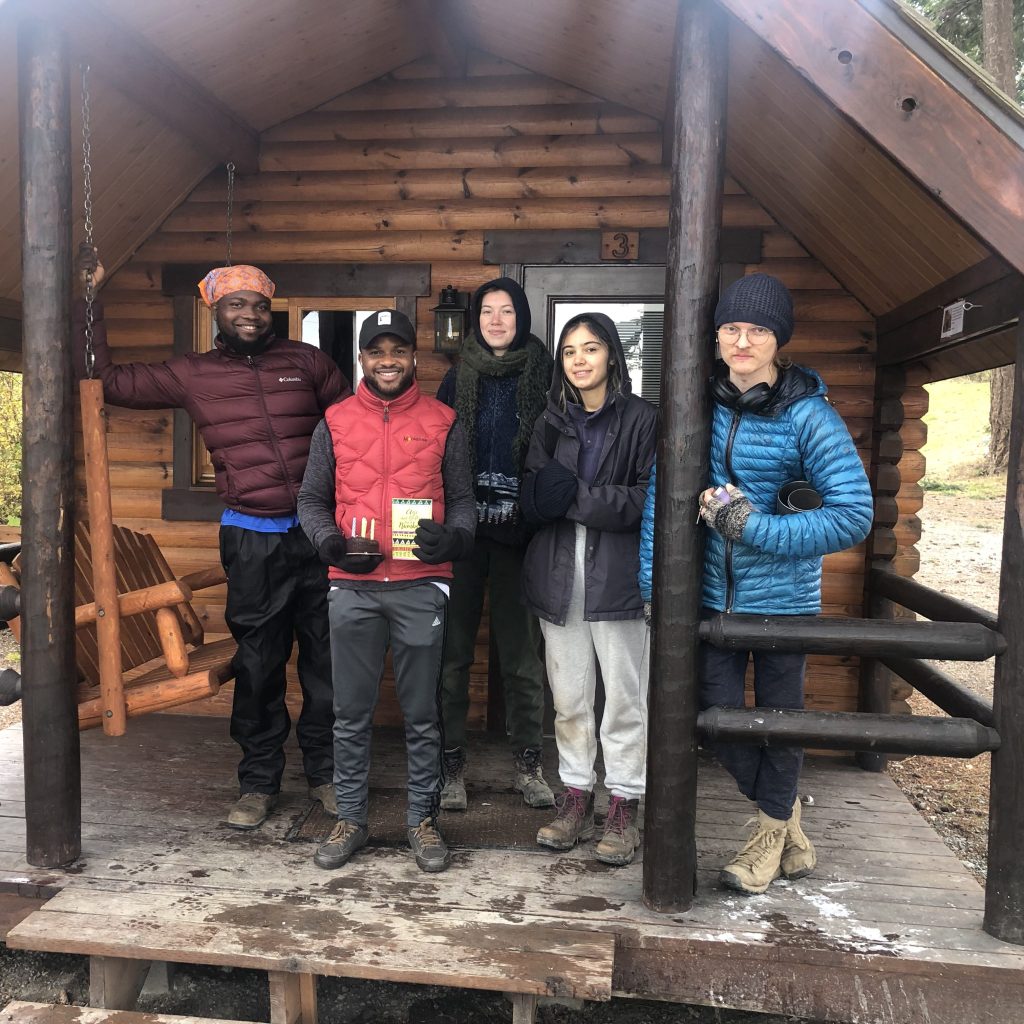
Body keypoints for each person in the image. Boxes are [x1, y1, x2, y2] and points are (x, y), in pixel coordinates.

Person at [73, 255, 349, 830]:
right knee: (258, 664)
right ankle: (258, 782)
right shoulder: (192, 373)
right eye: (236, 304)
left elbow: (350, 433)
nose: (250, 314)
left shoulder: (309, 362)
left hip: (319, 537)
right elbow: (107, 378)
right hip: (252, 539)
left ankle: (327, 776)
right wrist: (89, 302)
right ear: (215, 311)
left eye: (258, 304)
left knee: (329, 662)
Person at [638, 272, 873, 895]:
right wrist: (651, 585)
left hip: (784, 603)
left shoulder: (809, 416)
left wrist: (752, 527)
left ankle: (766, 836)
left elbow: (853, 515)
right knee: (714, 717)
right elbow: (660, 503)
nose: (743, 342)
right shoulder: (698, 407)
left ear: (778, 341)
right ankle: (787, 818)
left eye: (757, 330)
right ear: (716, 337)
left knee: (780, 721)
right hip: (709, 599)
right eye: (732, 329)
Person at [297, 309, 476, 874]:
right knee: (350, 713)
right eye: (377, 352)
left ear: (414, 357)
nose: (388, 361)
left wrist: (454, 538)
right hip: (352, 588)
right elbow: (311, 501)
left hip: (422, 586)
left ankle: (422, 822)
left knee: (423, 714)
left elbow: (466, 502)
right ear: (363, 359)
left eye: (398, 350)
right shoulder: (335, 421)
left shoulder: (445, 421)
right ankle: (350, 818)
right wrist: (328, 543)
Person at [519, 313, 656, 867]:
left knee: (625, 698)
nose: (579, 359)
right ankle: (576, 794)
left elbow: (644, 500)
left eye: (591, 348)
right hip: (557, 575)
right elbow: (533, 495)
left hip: (619, 578)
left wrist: (572, 496)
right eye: (570, 351)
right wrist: (567, 497)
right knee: (570, 698)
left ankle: (625, 803)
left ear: (611, 356)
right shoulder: (550, 421)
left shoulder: (644, 419)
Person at [435, 278, 554, 812]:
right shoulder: (455, 378)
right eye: (488, 311)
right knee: (452, 654)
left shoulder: (547, 377)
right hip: (461, 536)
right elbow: (432, 455)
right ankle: (450, 764)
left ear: (521, 316)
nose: (497, 320)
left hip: (519, 537)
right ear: (476, 319)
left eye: (507, 311)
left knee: (522, 656)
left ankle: (529, 765)